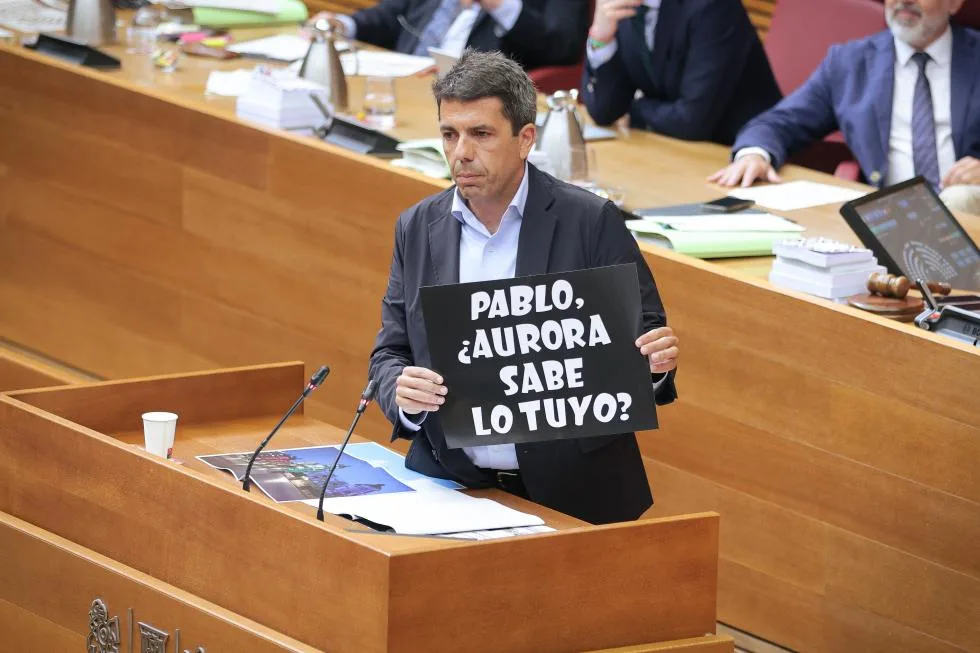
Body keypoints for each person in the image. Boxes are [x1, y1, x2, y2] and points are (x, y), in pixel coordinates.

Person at [368, 50, 679, 525]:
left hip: (575, 495)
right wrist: (402, 394)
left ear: (526, 139)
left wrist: (653, 366)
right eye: (449, 134)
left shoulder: (589, 220)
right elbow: (391, 353)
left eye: (481, 134)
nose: (461, 152)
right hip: (453, 488)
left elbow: (645, 340)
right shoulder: (417, 227)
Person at [709, 0, 980, 215]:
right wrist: (755, 155)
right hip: (889, 218)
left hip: (967, 211)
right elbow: (779, 122)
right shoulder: (850, 63)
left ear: (955, 3)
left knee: (959, 198)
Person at [579, 0, 782, 145]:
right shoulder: (622, 7)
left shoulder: (712, 6)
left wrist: (633, 110)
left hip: (739, 152)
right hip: (670, 144)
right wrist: (601, 38)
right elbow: (604, 111)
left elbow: (692, 120)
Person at [311, 0, 589, 71]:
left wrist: (500, 6)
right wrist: (345, 24)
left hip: (473, 101)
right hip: (404, 81)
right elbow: (392, 14)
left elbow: (563, 46)